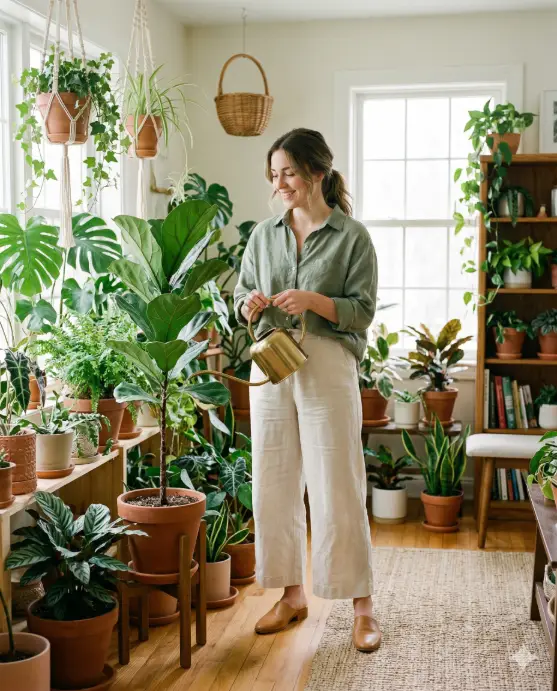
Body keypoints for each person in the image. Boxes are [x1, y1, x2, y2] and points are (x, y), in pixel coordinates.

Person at [233, 128, 380, 652]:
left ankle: (362, 606)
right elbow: (239, 292)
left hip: (326, 362)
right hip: (270, 362)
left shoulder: (352, 237)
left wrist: (314, 301)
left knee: (337, 480)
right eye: (274, 175)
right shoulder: (262, 235)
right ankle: (292, 595)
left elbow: (361, 310)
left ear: (317, 172)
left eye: (289, 173)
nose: (280, 184)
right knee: (273, 480)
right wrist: (248, 304)